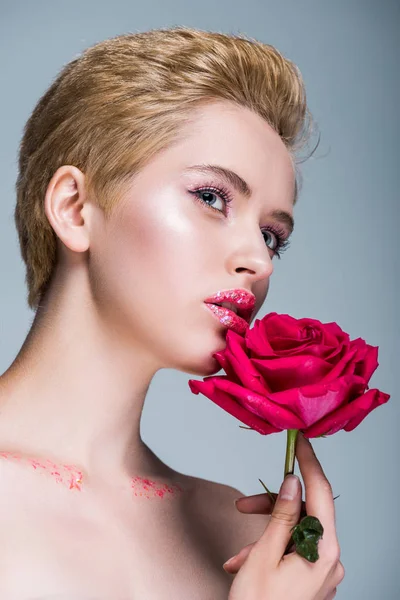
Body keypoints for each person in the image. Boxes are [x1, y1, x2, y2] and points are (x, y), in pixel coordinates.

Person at [0, 27, 344, 599]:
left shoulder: (242, 538)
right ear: (75, 208)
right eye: (212, 197)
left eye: (272, 235)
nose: (259, 260)